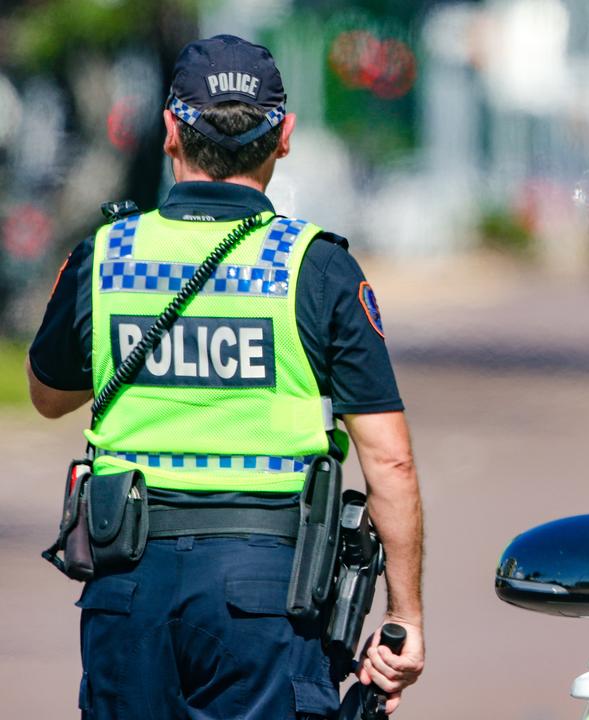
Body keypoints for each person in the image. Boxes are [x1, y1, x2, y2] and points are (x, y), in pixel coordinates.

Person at [25, 35, 424, 718]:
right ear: (285, 137)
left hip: (127, 586)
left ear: (170, 131)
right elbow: (389, 460)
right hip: (265, 597)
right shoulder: (318, 269)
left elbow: (48, 395)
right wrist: (405, 617)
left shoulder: (106, 258)